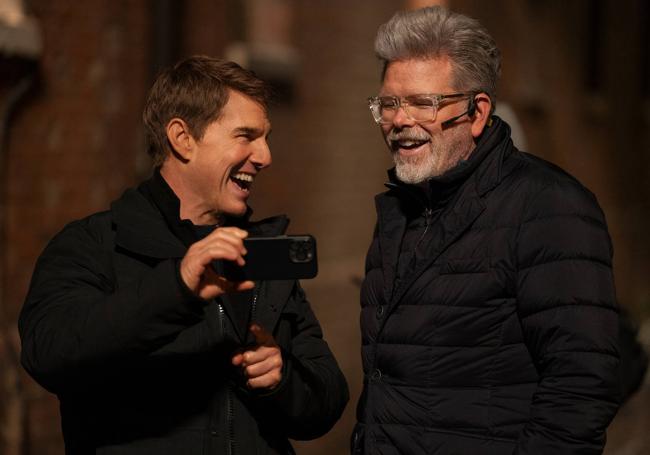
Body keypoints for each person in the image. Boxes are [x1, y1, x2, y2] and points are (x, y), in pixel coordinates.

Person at [19, 55, 348, 454]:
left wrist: (282, 380)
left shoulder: (260, 256)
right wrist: (176, 287)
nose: (265, 156)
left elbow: (327, 400)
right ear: (182, 138)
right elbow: (49, 353)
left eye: (266, 138)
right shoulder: (93, 244)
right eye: (245, 136)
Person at [353, 6, 620, 455]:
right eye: (390, 104)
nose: (399, 120)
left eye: (423, 103)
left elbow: (580, 389)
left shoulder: (550, 206)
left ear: (477, 112)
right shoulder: (401, 208)